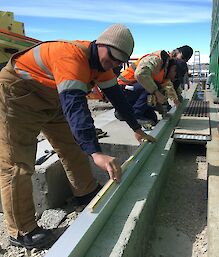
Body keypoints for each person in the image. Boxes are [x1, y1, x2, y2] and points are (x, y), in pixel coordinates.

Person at [0, 24, 155, 249]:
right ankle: (22, 231)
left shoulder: (102, 63)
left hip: (52, 95)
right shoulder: (71, 57)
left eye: (117, 63)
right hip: (20, 93)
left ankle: (85, 193)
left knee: (72, 147)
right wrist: (96, 152)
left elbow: (118, 98)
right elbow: (76, 109)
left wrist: (136, 128)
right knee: (17, 164)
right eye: (110, 59)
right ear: (101, 45)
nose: (111, 65)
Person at [117, 50, 179, 125]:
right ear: (173, 68)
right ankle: (135, 115)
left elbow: (168, 90)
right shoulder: (156, 60)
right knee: (150, 87)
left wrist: (165, 109)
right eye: (175, 74)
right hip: (124, 88)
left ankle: (124, 112)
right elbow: (140, 74)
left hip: (134, 90)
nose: (174, 78)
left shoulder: (164, 72)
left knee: (152, 119)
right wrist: (157, 93)